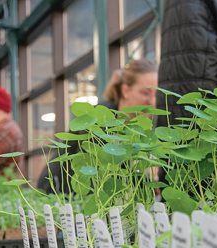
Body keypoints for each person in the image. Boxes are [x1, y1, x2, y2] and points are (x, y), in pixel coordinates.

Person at [37, 59, 158, 194]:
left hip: (80, 201)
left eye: (156, 94)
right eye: (145, 93)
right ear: (125, 90)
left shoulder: (140, 127)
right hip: (56, 193)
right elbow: (107, 172)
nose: (152, 102)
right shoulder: (99, 119)